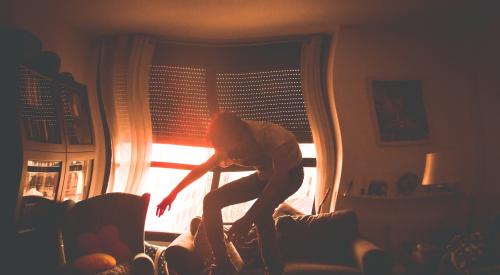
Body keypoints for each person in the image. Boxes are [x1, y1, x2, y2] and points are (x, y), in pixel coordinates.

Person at [156, 111, 304, 275]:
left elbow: (278, 181)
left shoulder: (272, 136)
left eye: (234, 151)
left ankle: (274, 270)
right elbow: (201, 169)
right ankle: (224, 265)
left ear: (241, 136)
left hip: (291, 175)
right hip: (264, 176)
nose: (233, 156)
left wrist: (247, 219)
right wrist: (172, 194)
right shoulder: (228, 145)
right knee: (211, 200)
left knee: (261, 216)